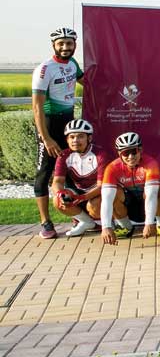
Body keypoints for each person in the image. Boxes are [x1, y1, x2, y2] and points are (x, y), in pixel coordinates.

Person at [32, 27, 85, 239]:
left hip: (68, 123)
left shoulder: (72, 63)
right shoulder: (45, 69)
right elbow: (36, 107)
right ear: (54, 45)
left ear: (75, 45)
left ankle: (76, 215)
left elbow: (86, 81)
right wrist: (46, 138)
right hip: (49, 124)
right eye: (61, 43)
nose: (65, 47)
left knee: (71, 170)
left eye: (69, 43)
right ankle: (45, 222)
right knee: (44, 173)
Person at [51, 119, 113, 237]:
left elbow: (102, 186)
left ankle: (103, 222)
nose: (75, 140)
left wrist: (82, 197)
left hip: (97, 193)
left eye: (80, 136)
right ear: (67, 139)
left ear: (89, 138)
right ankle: (86, 222)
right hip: (78, 193)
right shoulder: (64, 155)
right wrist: (61, 194)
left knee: (94, 206)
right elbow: (57, 181)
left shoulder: (101, 154)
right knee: (57, 200)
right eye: (72, 137)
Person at [100, 132, 160, 245]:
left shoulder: (151, 163)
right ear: (119, 154)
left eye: (134, 151)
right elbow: (106, 200)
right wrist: (106, 227)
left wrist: (149, 223)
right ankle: (125, 226)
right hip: (130, 206)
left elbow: (151, 195)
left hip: (149, 204)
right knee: (112, 193)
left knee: (157, 189)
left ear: (141, 150)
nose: (130, 157)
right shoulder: (112, 168)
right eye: (125, 153)